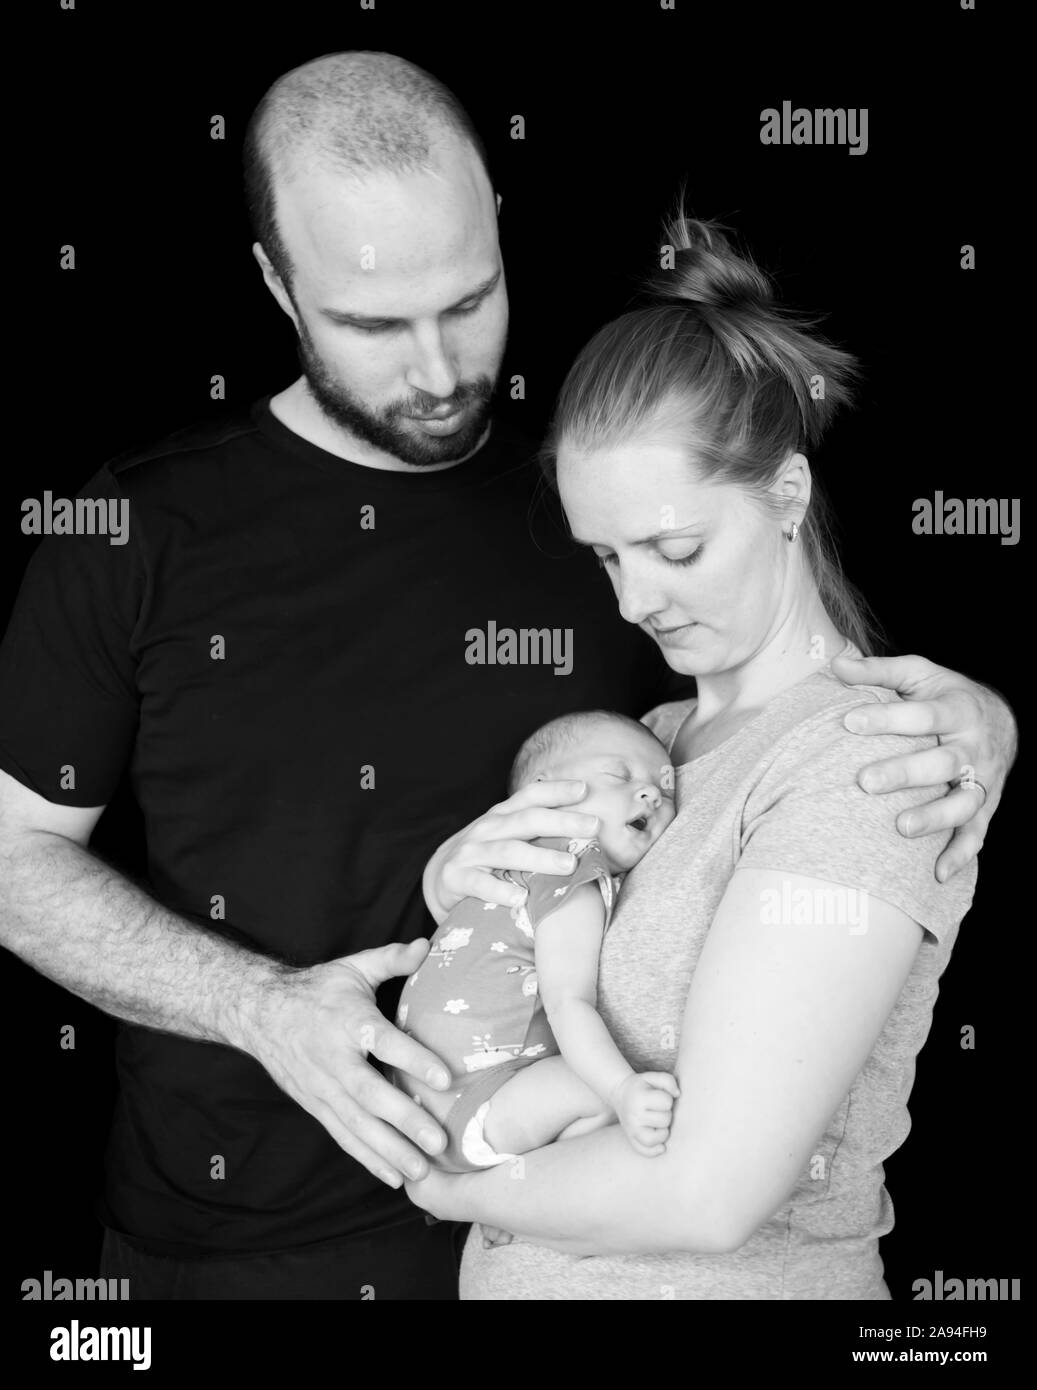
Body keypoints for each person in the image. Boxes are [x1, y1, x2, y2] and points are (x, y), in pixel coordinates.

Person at [0, 52, 1015, 1300]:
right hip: (238, 1238)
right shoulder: (138, 530)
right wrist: (259, 1004)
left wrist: (974, 717)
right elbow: (9, 858)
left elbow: (783, 721)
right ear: (276, 281)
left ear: (497, 231)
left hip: (537, 1211)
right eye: (374, 323)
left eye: (468, 301)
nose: (435, 369)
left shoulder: (587, 497)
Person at [406, 216, 993, 1299]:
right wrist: (457, 878)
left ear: (786, 496)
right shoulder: (650, 745)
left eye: (674, 549)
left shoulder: (866, 759)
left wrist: (444, 1178)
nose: (633, 602)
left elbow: (709, 1196)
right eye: (605, 556)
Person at [395, 710, 679, 1173]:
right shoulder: (569, 873)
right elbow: (570, 1004)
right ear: (544, 796)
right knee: (600, 1094)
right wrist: (623, 1090)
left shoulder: (498, 869)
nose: (651, 792)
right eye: (618, 775)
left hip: (416, 1099)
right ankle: (521, 1195)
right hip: (482, 1100)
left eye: (665, 788)